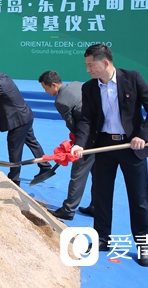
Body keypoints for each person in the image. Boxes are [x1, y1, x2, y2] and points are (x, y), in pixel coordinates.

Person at [72, 44, 148, 267]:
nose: (88, 70)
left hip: (132, 147)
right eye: (86, 65)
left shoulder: (132, 78)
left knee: (138, 199)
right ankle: (102, 238)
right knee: (101, 195)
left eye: (90, 65)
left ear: (105, 63)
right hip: (104, 147)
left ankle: (144, 245)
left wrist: (143, 135)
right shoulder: (89, 88)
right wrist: (79, 144)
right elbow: (85, 120)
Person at [39, 70, 94, 221]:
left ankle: (68, 209)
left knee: (78, 174)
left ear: (54, 85)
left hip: (87, 140)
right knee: (98, 173)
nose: (45, 91)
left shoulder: (61, 101)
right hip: (99, 133)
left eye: (46, 88)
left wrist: (76, 142)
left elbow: (73, 124)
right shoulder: (76, 84)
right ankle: (96, 206)